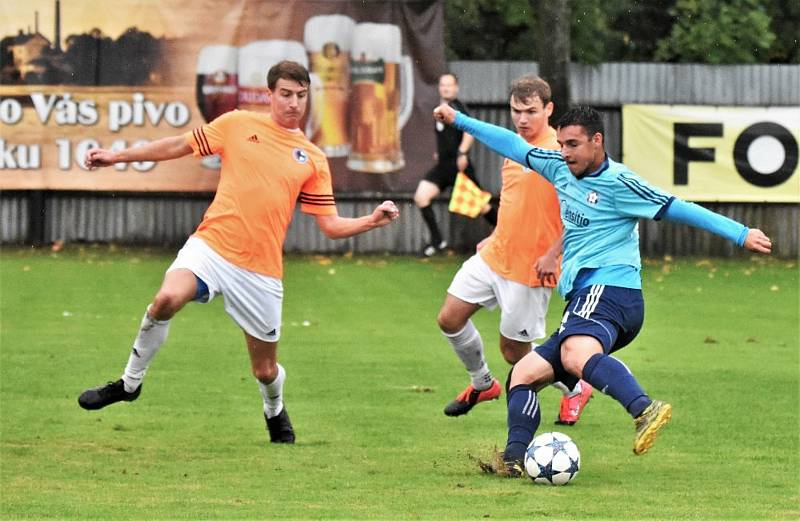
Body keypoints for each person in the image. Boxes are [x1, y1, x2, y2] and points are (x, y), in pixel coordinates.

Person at [433, 103, 772, 474]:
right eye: (561, 144)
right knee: (523, 375)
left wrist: (740, 234)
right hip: (585, 295)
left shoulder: (620, 183)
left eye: (573, 144)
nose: (565, 152)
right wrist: (459, 120)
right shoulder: (559, 167)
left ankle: (644, 408)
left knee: (575, 354)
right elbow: (511, 145)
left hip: (612, 289)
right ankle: (513, 460)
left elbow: (681, 208)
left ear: (598, 141)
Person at [77, 60, 400, 445]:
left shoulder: (312, 157)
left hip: (260, 271)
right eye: (285, 94)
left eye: (300, 95)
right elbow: (178, 145)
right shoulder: (236, 124)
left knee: (264, 370)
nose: (294, 103)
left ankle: (274, 409)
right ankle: (130, 383)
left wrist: (372, 220)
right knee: (165, 298)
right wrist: (116, 156)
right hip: (211, 247)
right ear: (269, 95)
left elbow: (329, 226)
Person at [437, 76, 592, 426]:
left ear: (549, 110)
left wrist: (554, 253)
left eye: (531, 112)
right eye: (516, 111)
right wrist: (495, 236)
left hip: (532, 269)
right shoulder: (513, 147)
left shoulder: (561, 153)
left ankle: (575, 386)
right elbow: (515, 202)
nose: (522, 120)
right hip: (495, 256)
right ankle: (482, 384)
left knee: (514, 354)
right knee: (449, 318)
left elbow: (583, 214)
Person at [413, 73, 497, 257]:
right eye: (442, 85)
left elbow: (470, 132)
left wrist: (463, 153)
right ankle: (437, 242)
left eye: (449, 86)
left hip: (459, 167)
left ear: (456, 88)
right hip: (443, 167)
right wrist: (440, 152)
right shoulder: (440, 109)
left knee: (482, 205)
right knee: (421, 197)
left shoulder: (458, 108)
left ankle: (504, 233)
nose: (445, 89)